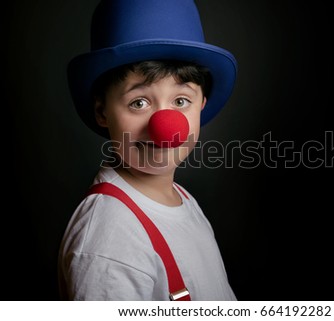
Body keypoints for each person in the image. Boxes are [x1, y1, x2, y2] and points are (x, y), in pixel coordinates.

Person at [58, 0, 238, 301]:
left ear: (201, 106)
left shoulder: (181, 198)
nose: (164, 126)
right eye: (138, 102)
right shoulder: (111, 242)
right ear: (102, 112)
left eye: (181, 101)